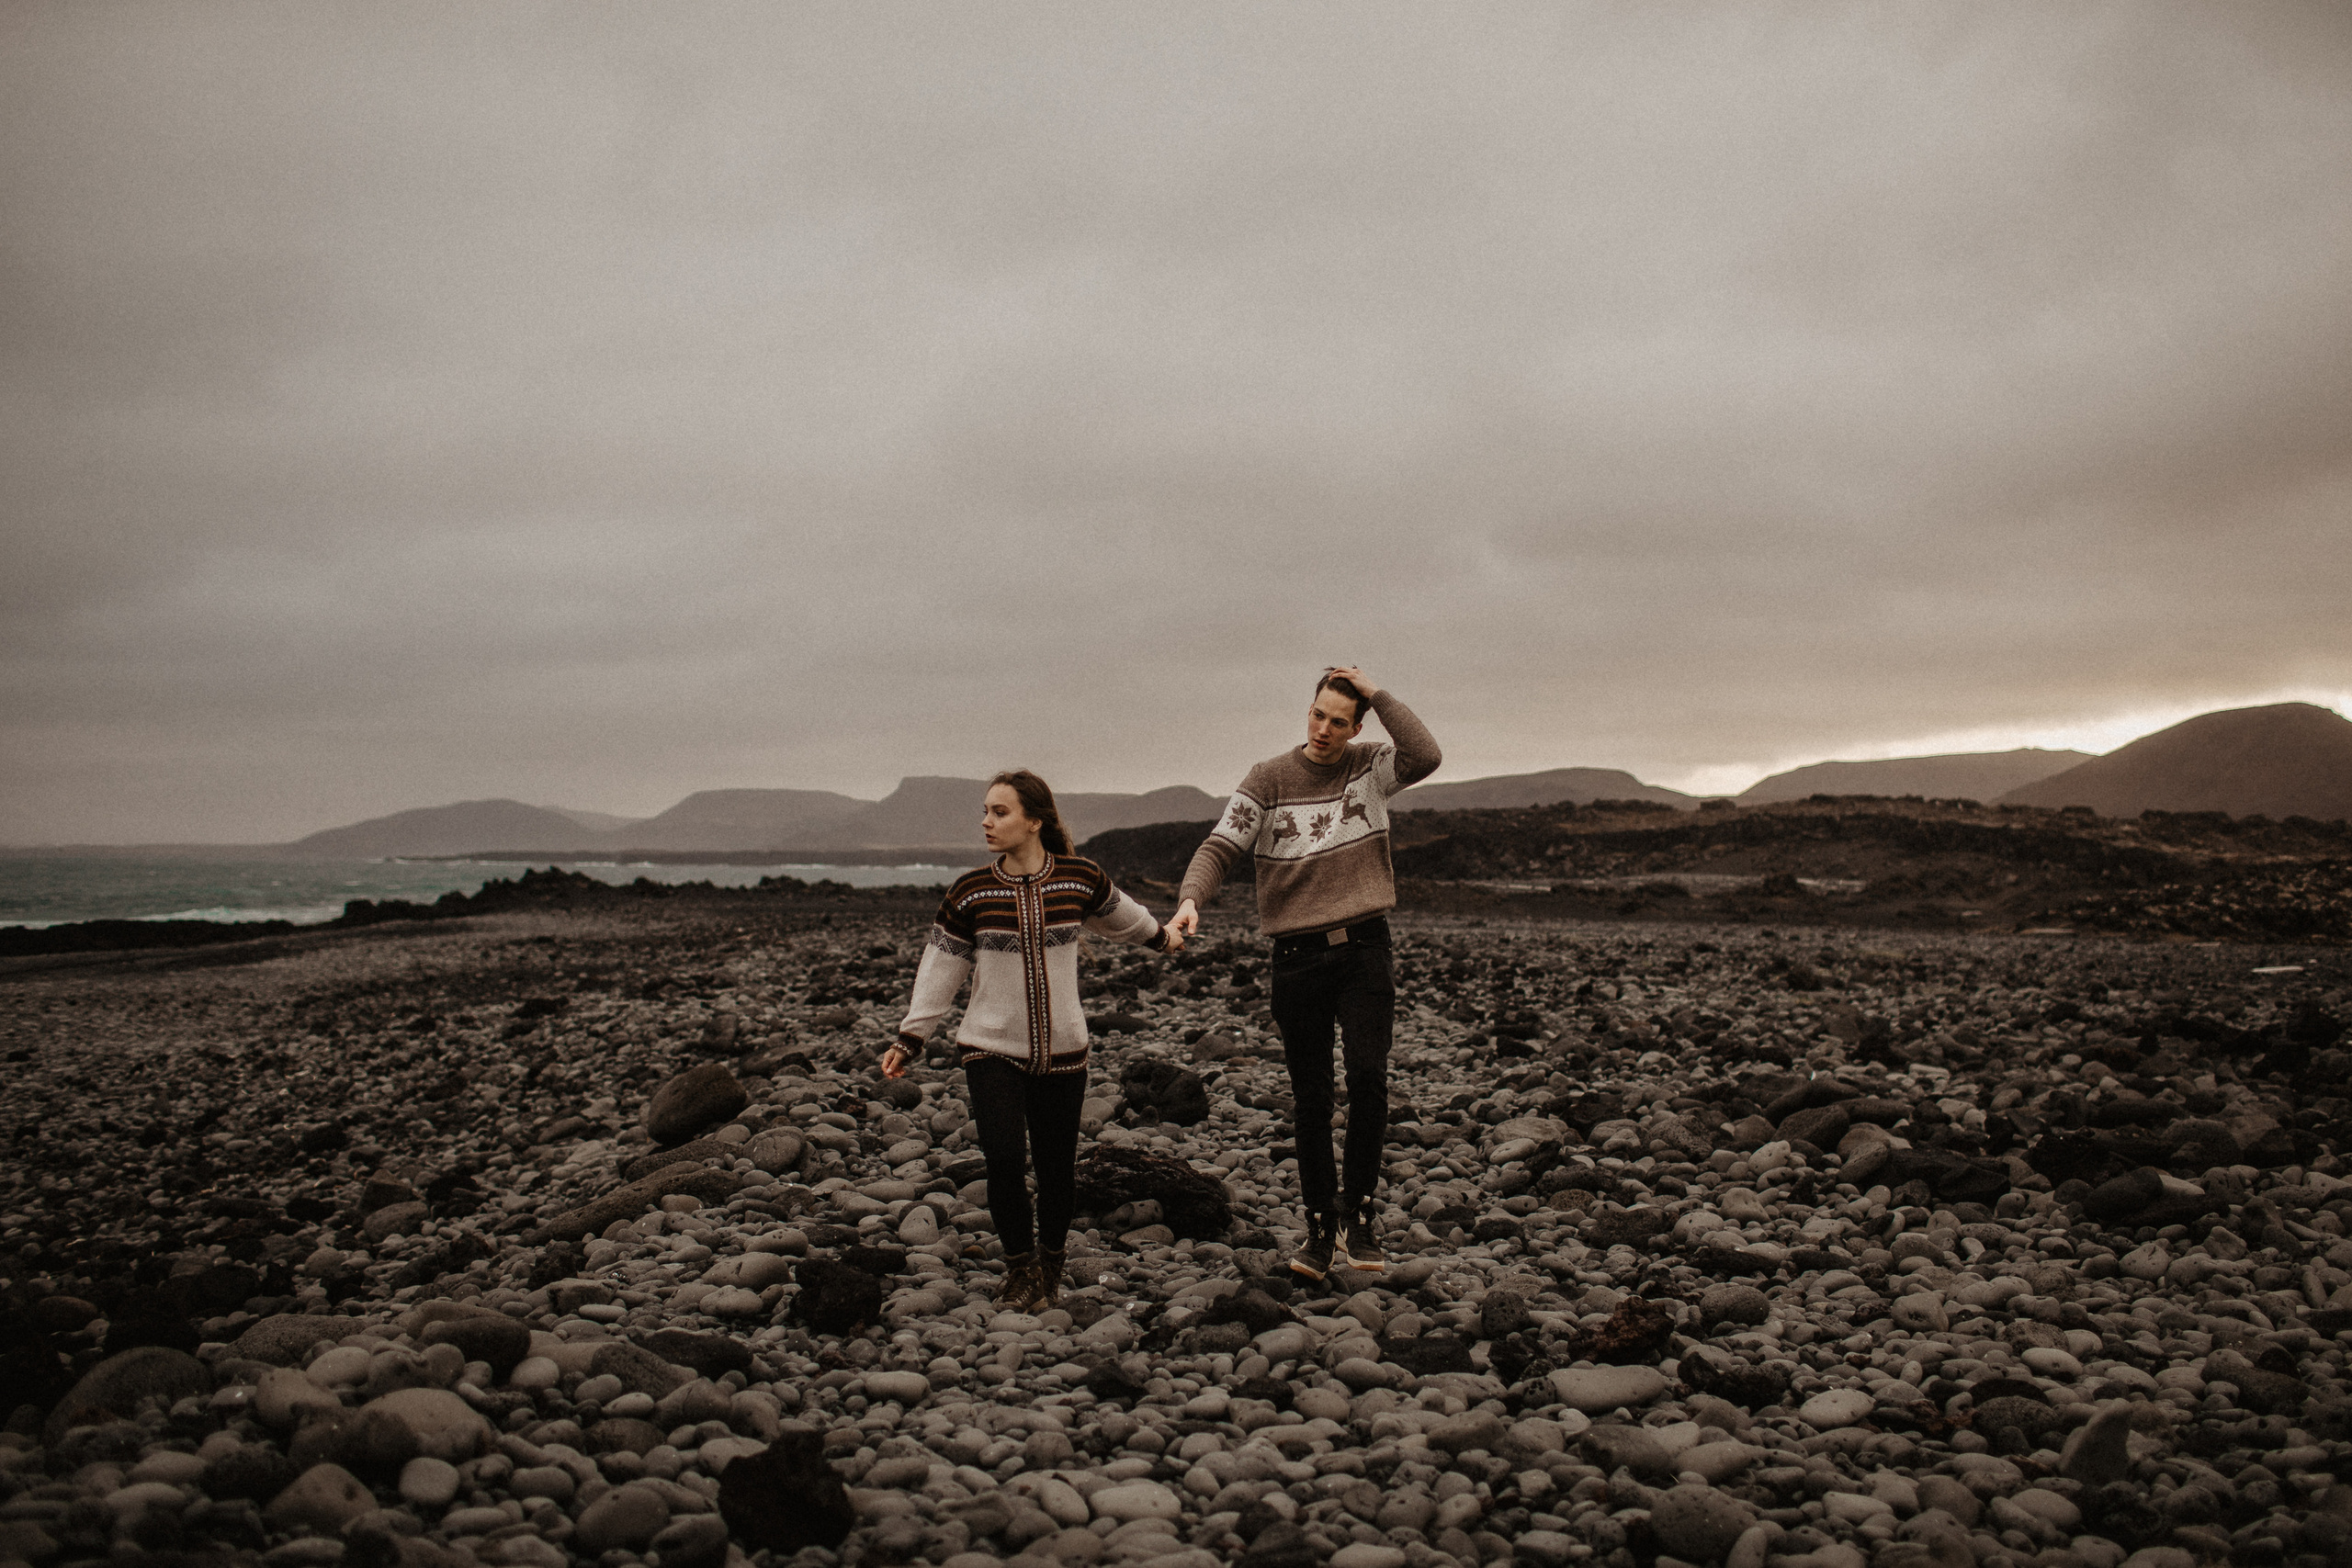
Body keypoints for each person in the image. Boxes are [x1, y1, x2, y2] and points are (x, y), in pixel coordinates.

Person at [1166, 666, 1440, 1281]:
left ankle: (1359, 1218)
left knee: (1369, 1077)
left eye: (1338, 720)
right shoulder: (1268, 778)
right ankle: (1320, 1227)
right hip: (1296, 958)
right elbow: (1219, 846)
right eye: (1317, 715)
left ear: (1356, 725)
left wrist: (1377, 690)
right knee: (1311, 1097)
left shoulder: (1370, 766)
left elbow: (1425, 753)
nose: (1322, 729)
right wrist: (1191, 900)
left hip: (1365, 947)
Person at [883, 769, 1180, 1313]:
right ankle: (1019, 1268)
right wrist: (912, 1037)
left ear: (1034, 821)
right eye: (986, 812)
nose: (987, 822)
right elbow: (941, 967)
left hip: (1065, 1051)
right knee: (1001, 1160)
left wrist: (1166, 938)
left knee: (1055, 1167)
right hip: (989, 1048)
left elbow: (1127, 918)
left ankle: (1052, 1261)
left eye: (1000, 813)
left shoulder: (1078, 878)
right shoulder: (971, 891)